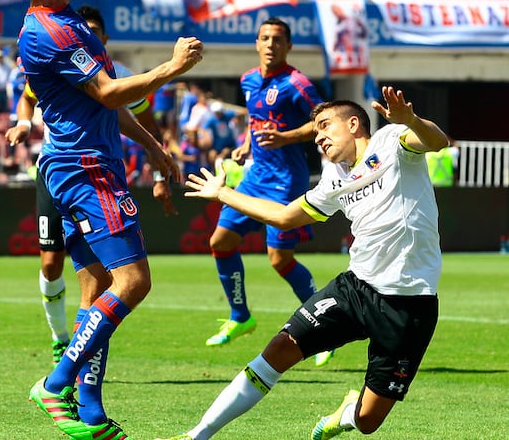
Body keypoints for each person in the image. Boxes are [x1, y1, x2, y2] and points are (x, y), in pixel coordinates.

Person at [156, 87, 448, 440]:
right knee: (279, 348)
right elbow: (282, 217)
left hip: (409, 305)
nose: (319, 137)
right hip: (356, 288)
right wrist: (223, 194)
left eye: (325, 126)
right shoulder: (333, 180)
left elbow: (437, 142)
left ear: (354, 124)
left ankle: (343, 416)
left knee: (368, 421)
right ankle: (197, 435)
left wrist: (411, 119)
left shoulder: (391, 141)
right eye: (316, 132)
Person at [11, 0, 203, 439]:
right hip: (85, 168)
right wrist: (172, 67)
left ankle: (90, 409)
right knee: (133, 282)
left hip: (81, 163)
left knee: (97, 286)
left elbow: (105, 104)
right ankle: (55, 384)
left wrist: (156, 149)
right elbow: (111, 90)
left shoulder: (69, 22)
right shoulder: (52, 32)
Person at [5, 3, 176, 367]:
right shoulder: (57, 54)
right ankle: (60, 345)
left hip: (97, 171)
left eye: (95, 33)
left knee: (99, 282)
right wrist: (22, 123)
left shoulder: (122, 75)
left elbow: (129, 114)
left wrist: (156, 157)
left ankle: (79, 384)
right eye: (85, 31)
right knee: (55, 264)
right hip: (68, 169)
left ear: (104, 37)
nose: (89, 37)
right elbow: (27, 96)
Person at [203, 18, 330, 368]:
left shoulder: (298, 83)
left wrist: (287, 137)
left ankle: (324, 331)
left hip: (286, 180)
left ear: (288, 46)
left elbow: (323, 120)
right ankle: (240, 315)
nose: (271, 44)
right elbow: (256, 120)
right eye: (265, 38)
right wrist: (246, 144)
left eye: (278, 39)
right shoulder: (248, 79)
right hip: (255, 176)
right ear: (257, 43)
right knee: (221, 242)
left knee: (279, 260)